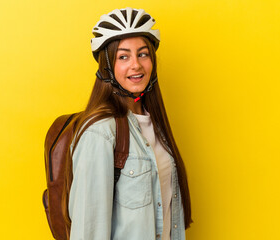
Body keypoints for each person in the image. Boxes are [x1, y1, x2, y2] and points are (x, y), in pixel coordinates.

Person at [62, 7, 192, 240]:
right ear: (107, 67)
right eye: (123, 56)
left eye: (142, 54)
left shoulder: (156, 126)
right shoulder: (100, 133)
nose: (136, 65)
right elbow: (87, 231)